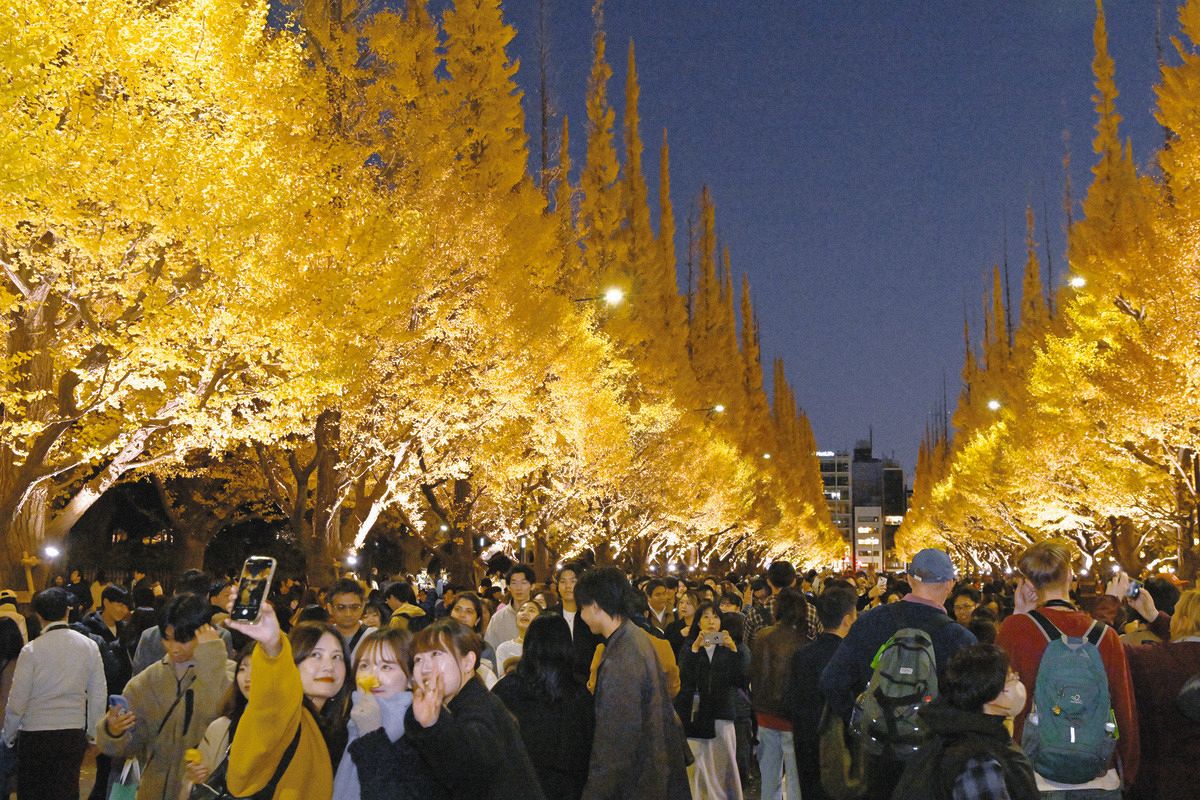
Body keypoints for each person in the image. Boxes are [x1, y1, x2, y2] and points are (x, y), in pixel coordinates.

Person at [820, 548, 976, 800]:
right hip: (933, 758)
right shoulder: (961, 639)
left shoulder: (870, 621)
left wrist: (861, 720)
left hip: (877, 753)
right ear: (950, 584)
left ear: (910, 579)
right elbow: (972, 706)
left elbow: (831, 681)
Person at [995, 539, 1138, 798]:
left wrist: (1018, 612)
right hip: (1098, 773)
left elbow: (994, 695)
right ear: (1070, 575)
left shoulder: (1015, 629)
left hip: (1033, 772)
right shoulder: (1105, 636)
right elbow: (1124, 709)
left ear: (1029, 583)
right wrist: (1127, 770)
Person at [96, 593, 232, 800]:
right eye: (167, 638)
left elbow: (220, 713)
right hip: (152, 791)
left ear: (205, 633)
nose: (174, 648)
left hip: (201, 791)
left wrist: (212, 658)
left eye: (183, 640)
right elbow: (129, 746)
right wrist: (113, 731)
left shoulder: (228, 675)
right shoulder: (147, 681)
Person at [576, 567, 690, 799]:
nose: (581, 616)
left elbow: (615, 739)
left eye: (582, 608)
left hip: (639, 782)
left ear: (595, 606)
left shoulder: (621, 657)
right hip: (653, 773)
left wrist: (594, 793)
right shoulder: (634, 637)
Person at [404, 618, 546, 800]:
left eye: (436, 655)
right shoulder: (454, 706)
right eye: (418, 659)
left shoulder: (480, 708)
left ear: (468, 662)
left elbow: (470, 772)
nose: (424, 668)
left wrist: (434, 723)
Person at [224, 604, 352, 800]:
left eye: (337, 657)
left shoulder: (336, 729)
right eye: (315, 655)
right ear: (293, 661)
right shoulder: (285, 715)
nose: (329, 666)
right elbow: (270, 703)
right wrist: (272, 647)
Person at [892, 644, 1038, 800]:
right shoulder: (979, 762)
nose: (1017, 682)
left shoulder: (950, 733)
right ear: (989, 692)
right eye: (1010, 679)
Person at [1, 587, 106, 800]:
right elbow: (98, 693)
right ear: (67, 611)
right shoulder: (89, 646)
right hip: (72, 732)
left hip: (34, 734)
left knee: (32, 793)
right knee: (66, 791)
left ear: (38, 615)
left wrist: (9, 735)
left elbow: (18, 700)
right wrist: (94, 735)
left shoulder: (31, 650)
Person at [334, 627, 443, 800]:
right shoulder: (349, 724)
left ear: (411, 679)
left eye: (386, 667)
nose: (372, 677)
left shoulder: (419, 733)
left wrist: (371, 737)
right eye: (364, 666)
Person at [493, 615, 595, 800]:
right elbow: (588, 754)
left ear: (528, 645)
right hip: (568, 791)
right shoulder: (580, 696)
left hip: (517, 789)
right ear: (566, 647)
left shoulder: (506, 689)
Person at [1116, 582, 1200, 799]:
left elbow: (1103, 647)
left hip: (1157, 780)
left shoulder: (1147, 659)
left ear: (1180, 620)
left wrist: (1111, 603)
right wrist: (1155, 617)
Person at [784, 586, 858, 800]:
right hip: (840, 749)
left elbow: (792, 701)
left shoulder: (802, 655)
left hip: (806, 744)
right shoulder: (851, 658)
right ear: (847, 620)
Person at [676, 602, 745, 800]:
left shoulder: (728, 646)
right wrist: (695, 648)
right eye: (705, 617)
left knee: (724, 766)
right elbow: (684, 678)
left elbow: (740, 680)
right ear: (698, 623)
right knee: (699, 766)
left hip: (722, 714)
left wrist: (733, 650)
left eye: (715, 617)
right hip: (697, 715)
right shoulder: (690, 647)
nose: (711, 621)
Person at [72, 585, 133, 800]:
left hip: (120, 699)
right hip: (97, 698)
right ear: (105, 602)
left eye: (126, 606)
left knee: (113, 760)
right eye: (119, 604)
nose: (123, 610)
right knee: (104, 759)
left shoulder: (124, 628)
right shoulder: (88, 628)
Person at [750, 587, 812, 800]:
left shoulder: (762, 636)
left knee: (769, 778)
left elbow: (755, 674)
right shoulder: (804, 641)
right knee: (795, 780)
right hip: (793, 719)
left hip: (765, 715)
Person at [182, 643, 253, 795]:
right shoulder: (221, 728)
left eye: (257, 669)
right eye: (242, 669)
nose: (248, 677)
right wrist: (194, 777)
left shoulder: (290, 728)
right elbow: (196, 784)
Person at [745, 560, 822, 651]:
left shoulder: (755, 614)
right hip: (804, 659)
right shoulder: (810, 610)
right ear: (794, 581)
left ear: (769, 581)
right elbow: (819, 640)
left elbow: (748, 645)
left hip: (770, 659)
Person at [547, 562, 603, 684]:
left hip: (586, 681)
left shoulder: (591, 615)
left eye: (573, 581)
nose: (568, 586)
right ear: (557, 586)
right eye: (563, 582)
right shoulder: (549, 615)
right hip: (555, 681)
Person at [447, 593, 499, 686]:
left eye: (469, 611)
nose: (462, 615)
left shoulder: (486, 650)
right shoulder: (438, 644)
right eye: (457, 609)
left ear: (477, 620)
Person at [484, 565, 534, 650]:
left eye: (524, 583)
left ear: (532, 586)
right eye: (514, 583)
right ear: (508, 587)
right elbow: (489, 649)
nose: (519, 588)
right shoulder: (498, 618)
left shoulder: (540, 615)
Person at [327, 578, 375, 663]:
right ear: (330, 608)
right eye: (341, 607)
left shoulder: (374, 637)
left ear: (363, 606)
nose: (348, 614)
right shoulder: (323, 638)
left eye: (354, 607)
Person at [495, 599, 540, 675]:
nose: (525, 613)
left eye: (531, 610)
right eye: (521, 610)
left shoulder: (544, 647)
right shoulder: (504, 648)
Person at [665, 589, 701, 656]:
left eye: (688, 603)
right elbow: (666, 648)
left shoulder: (702, 626)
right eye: (681, 602)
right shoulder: (672, 627)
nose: (683, 606)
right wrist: (680, 635)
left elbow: (716, 640)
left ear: (698, 606)